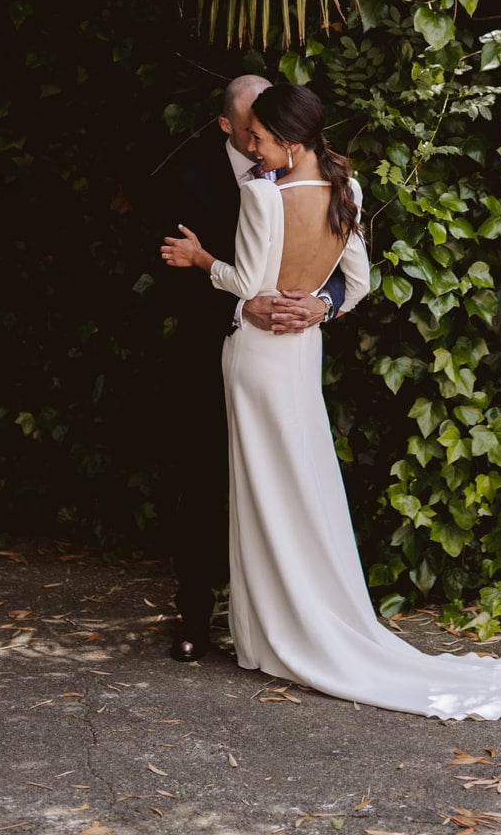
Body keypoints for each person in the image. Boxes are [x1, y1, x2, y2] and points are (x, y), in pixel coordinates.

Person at [161, 83, 501, 720]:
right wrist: (320, 305)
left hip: (257, 350)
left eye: (260, 137)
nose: (251, 147)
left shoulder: (259, 196)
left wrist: (201, 260)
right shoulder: (349, 190)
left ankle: (271, 634)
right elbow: (357, 283)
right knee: (303, 483)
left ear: (292, 139)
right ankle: (307, 619)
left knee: (261, 490)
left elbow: (248, 285)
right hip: (303, 348)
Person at [157, 74, 346, 662]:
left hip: (282, 350)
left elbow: (338, 261)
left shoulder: (308, 180)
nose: (260, 141)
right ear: (230, 128)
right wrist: (242, 302)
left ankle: (282, 619)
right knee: (207, 481)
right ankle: (196, 613)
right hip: (210, 352)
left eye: (268, 130)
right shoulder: (190, 182)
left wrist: (324, 303)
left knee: (283, 480)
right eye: (251, 130)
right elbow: (170, 274)